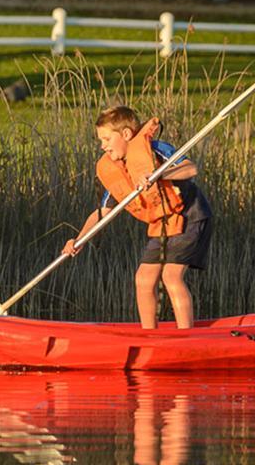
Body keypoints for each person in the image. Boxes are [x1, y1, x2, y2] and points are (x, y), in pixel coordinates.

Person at [62, 107, 213, 329]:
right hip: (162, 224)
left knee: (171, 276)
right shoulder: (117, 170)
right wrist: (79, 239)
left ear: (125, 134)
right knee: (143, 279)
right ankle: (149, 335)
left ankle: (186, 337)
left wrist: (159, 175)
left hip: (191, 216)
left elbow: (190, 169)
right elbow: (102, 212)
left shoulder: (155, 149)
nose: (102, 145)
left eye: (106, 138)